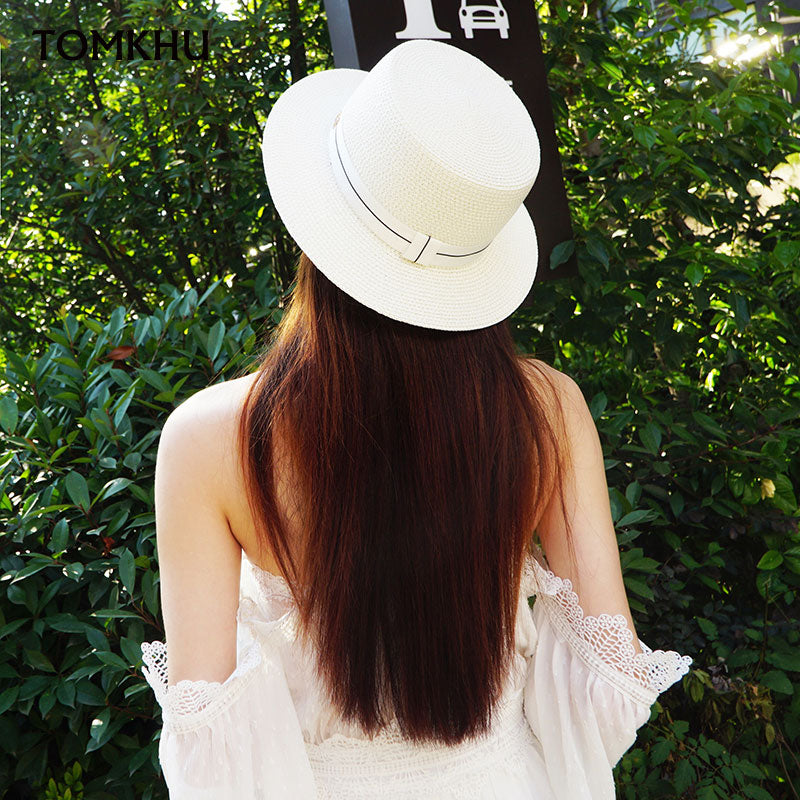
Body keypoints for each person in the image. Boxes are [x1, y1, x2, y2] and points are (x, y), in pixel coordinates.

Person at [140, 39, 692, 799]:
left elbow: (210, 755)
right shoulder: (546, 410)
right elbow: (610, 677)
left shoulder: (210, 438)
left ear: (318, 223)